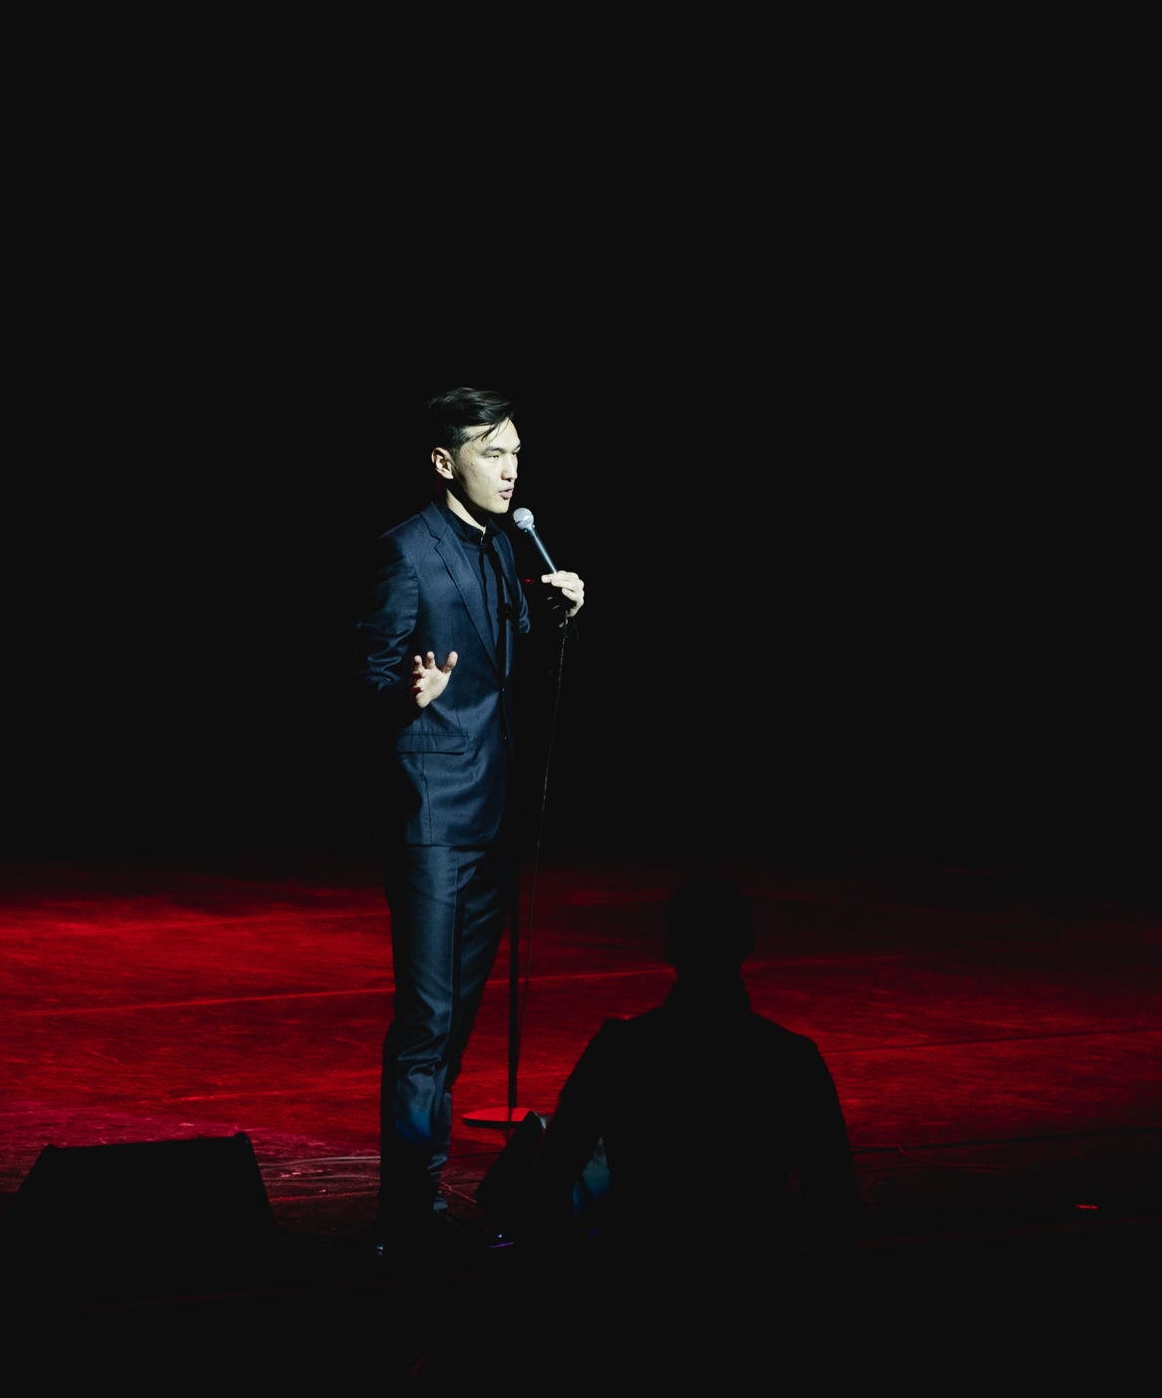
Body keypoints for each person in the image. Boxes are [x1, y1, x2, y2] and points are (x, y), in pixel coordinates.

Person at [355, 387, 584, 1250]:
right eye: (494, 453)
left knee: (455, 1024)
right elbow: (367, 678)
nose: (511, 468)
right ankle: (407, 1213)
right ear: (446, 462)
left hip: (491, 818)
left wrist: (555, 617)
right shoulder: (403, 554)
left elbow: (503, 672)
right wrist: (404, 697)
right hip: (431, 822)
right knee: (426, 1023)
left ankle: (422, 1198)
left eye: (516, 452)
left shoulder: (501, 550)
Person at [526, 875, 858, 1252]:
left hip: (642, 1279)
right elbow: (836, 1202)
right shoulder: (793, 1060)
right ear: (747, 945)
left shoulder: (619, 1050)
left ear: (671, 950)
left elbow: (548, 1181)